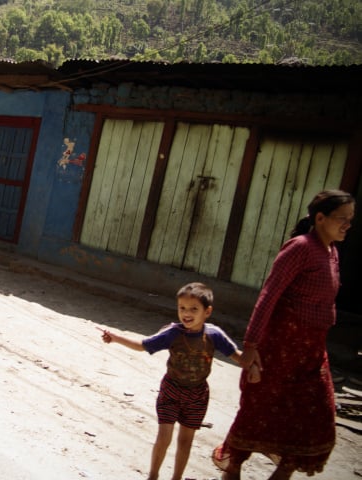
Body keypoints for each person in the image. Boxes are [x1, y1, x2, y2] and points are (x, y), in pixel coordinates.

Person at [213, 190, 355, 480]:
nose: (347, 225)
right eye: (342, 219)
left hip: (311, 353)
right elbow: (268, 296)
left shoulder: (332, 252)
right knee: (258, 412)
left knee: (314, 417)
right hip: (279, 348)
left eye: (351, 220)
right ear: (320, 218)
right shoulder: (300, 248)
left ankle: (282, 473)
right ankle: (233, 471)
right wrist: (251, 345)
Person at [100, 282, 246, 480]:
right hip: (171, 390)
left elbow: (238, 357)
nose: (187, 313)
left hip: (198, 396)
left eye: (194, 309)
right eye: (182, 308)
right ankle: (153, 475)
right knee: (164, 436)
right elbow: (143, 345)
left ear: (207, 311)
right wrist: (117, 338)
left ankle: (176, 477)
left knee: (185, 441)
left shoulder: (214, 335)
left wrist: (256, 364)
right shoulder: (173, 333)